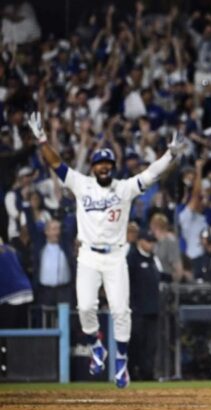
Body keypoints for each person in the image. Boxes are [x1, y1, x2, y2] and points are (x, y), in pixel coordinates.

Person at [26, 112, 184, 388]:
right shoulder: (81, 183)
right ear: (93, 166)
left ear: (113, 166)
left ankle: (121, 362)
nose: (104, 167)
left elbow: (150, 174)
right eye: (100, 163)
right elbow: (56, 163)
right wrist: (41, 139)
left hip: (115, 256)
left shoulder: (123, 189)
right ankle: (96, 345)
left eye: (108, 163)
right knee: (86, 306)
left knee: (121, 311)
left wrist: (170, 156)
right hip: (87, 254)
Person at [127, 228, 163, 381]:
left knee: (151, 345)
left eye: (152, 241)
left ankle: (148, 374)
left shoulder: (154, 259)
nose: (151, 245)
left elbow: (162, 276)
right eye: (149, 241)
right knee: (136, 342)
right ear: (140, 241)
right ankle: (132, 372)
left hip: (153, 309)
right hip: (137, 310)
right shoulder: (132, 258)